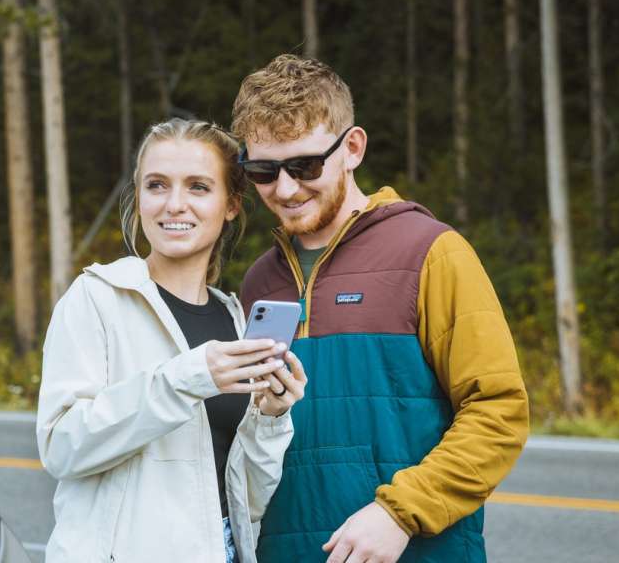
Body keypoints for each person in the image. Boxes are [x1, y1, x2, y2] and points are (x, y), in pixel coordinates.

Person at [232, 55, 529, 563]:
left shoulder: (431, 252)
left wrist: (400, 512)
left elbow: (498, 412)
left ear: (352, 148)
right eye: (263, 170)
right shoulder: (259, 282)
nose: (284, 189)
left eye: (304, 166)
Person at [36, 118, 309, 563]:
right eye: (157, 185)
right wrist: (188, 377)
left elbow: (248, 499)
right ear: (139, 197)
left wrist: (270, 418)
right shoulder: (97, 297)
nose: (174, 205)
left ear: (231, 205)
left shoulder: (234, 319)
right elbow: (61, 447)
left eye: (198, 187)